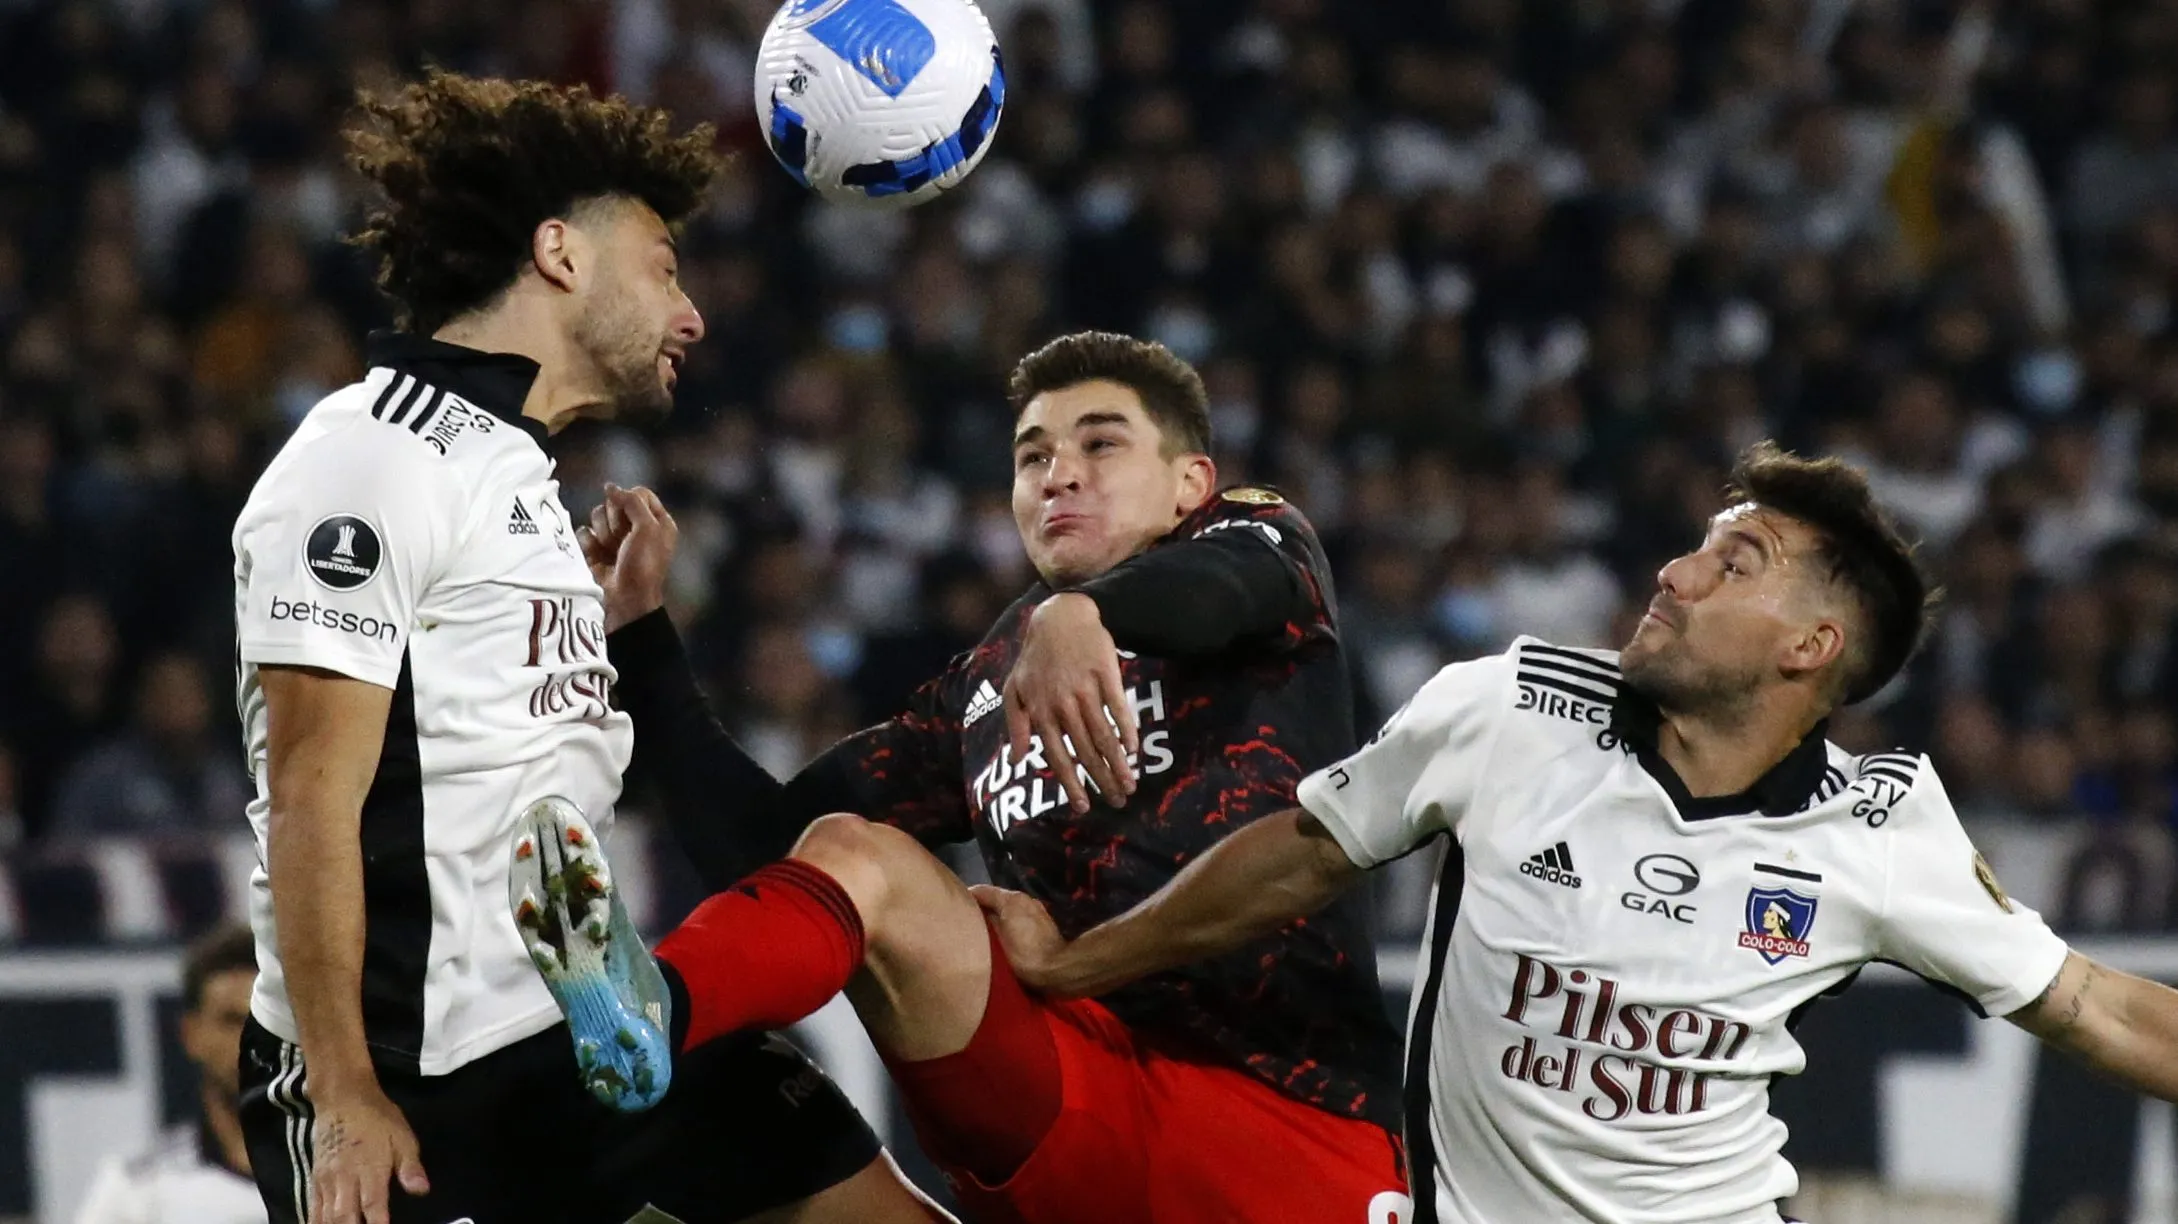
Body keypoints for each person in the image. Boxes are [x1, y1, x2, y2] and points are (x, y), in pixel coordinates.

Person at [977, 441, 2178, 1224]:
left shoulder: (1879, 825)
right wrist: (1077, 962)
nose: (1675, 572)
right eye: (1700, 544)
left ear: (1808, 650)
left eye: (1733, 563)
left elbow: (2097, 1005)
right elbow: (1303, 850)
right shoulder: (1509, 707)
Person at [227, 72, 941, 1224]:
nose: (691, 313)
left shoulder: (528, 488)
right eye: (664, 267)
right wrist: (347, 1091)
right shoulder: (369, 455)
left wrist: (634, 641)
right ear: (561, 255)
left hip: (591, 1034)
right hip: (421, 1078)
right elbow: (310, 796)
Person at [520, 329, 1412, 1224]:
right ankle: (648, 1015)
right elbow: (762, 854)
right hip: (1069, 1095)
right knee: (847, 857)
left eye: (1101, 443)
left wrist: (1080, 611)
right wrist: (639, 631)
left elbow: (1222, 588)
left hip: (1287, 1121)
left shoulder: (1261, 541)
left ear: (1190, 483)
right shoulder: (983, 690)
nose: (1059, 474)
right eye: (1034, 457)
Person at [75, 923, 264, 1224]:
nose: (251, 1041)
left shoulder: (350, 1172)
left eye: (266, 1022)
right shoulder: (136, 1189)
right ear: (191, 1034)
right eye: (231, 1021)